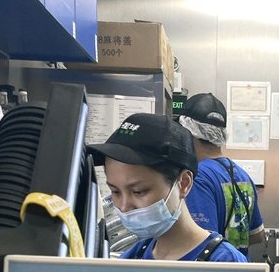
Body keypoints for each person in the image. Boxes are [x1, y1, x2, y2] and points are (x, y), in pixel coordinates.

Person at [88, 112, 247, 263]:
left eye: (138, 191)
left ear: (184, 183)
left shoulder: (225, 263)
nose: (124, 206)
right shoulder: (133, 258)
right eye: (115, 191)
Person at [178, 93, 264, 256]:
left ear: (188, 133)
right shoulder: (243, 176)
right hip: (240, 267)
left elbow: (200, 242)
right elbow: (257, 235)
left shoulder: (198, 177)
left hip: (213, 270)